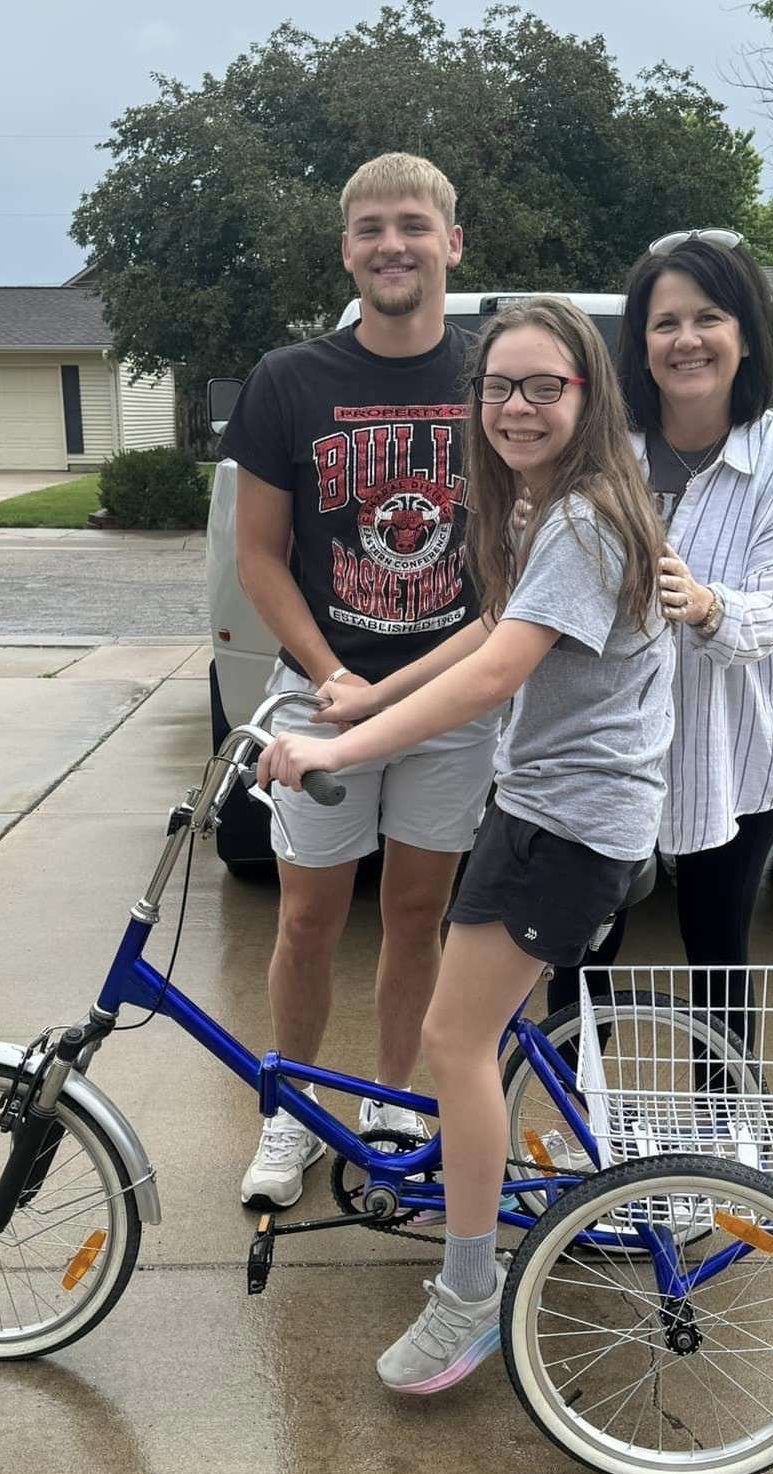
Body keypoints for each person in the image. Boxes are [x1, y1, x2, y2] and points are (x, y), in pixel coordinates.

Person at [258, 295, 675, 1393]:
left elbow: (495, 674)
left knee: (453, 1039)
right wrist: (362, 700)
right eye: (497, 388)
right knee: (472, 1029)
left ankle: (470, 1291)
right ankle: (481, 1198)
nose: (516, 407)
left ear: (587, 394)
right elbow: (494, 627)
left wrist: (334, 750)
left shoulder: (584, 518)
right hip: (549, 806)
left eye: (543, 387)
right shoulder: (553, 505)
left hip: (569, 822)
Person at [219, 153, 497, 1210]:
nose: (393, 244)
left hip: (449, 699)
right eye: (372, 227)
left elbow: (518, 559)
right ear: (346, 250)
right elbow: (259, 557)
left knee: (418, 912)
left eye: (414, 225)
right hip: (321, 696)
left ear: (451, 243)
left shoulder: (491, 379)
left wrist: (414, 689)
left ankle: (388, 1102)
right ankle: (291, 1108)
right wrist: (333, 672)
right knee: (306, 917)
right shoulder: (289, 380)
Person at [544, 229, 773, 1053]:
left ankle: (723, 1115)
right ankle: (574, 1112)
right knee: (581, 948)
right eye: (665, 323)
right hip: (604, 746)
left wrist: (706, 606)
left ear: (746, 333)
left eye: (709, 318)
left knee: (717, 946)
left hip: (732, 747)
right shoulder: (602, 447)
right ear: (641, 342)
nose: (687, 340)